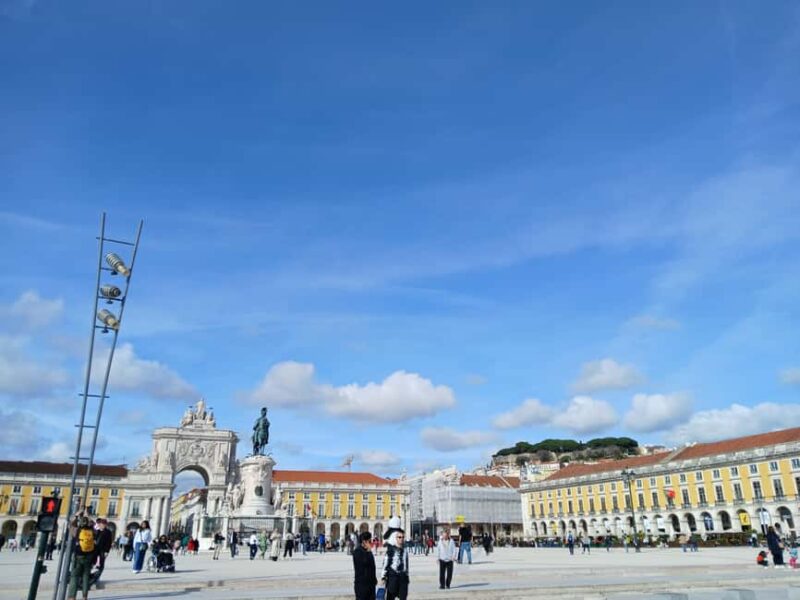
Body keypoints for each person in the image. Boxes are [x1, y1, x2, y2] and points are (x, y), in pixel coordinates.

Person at [67, 515, 96, 600]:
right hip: (89, 556)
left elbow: (70, 525)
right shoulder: (92, 530)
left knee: (74, 576)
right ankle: (85, 596)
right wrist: (88, 515)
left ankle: (72, 597)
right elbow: (94, 524)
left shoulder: (77, 530)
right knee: (86, 576)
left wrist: (76, 516)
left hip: (78, 556)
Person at [381, 517, 410, 600]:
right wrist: (383, 576)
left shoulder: (405, 551)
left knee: (403, 596)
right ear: (395, 538)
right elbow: (385, 563)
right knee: (390, 596)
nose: (401, 539)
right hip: (393, 576)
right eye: (399, 537)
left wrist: (407, 575)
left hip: (403, 577)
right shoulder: (391, 550)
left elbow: (406, 564)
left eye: (402, 537)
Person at [353, 531, 377, 600]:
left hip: (371, 584)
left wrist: (374, 579)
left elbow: (372, 566)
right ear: (364, 542)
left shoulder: (368, 551)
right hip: (361, 584)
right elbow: (363, 563)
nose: (371, 543)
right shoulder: (357, 551)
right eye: (369, 541)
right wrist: (369, 551)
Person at [90, 519, 113, 586]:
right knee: (92, 562)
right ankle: (91, 576)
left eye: (102, 524)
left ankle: (97, 576)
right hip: (95, 550)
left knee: (101, 564)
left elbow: (109, 542)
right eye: (100, 524)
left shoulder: (108, 532)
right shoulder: (97, 531)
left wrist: (107, 551)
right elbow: (93, 538)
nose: (100, 525)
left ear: (105, 525)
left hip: (103, 550)